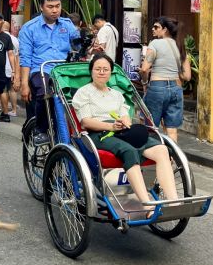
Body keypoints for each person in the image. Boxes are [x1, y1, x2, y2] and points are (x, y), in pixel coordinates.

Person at [72, 54, 178, 216]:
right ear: (91, 71)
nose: (101, 72)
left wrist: (125, 123)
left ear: (110, 72)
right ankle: (147, 206)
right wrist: (111, 126)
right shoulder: (83, 93)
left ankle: (173, 202)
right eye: (97, 69)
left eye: (105, 69)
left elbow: (125, 115)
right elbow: (86, 122)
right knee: (129, 150)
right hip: (98, 134)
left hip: (121, 131)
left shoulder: (116, 94)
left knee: (162, 150)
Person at [18, 0, 80, 146]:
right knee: (45, 93)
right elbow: (25, 58)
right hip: (41, 69)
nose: (55, 10)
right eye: (50, 6)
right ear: (41, 7)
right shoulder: (29, 28)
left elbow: (78, 45)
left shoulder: (67, 25)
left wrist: (89, 46)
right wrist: (24, 84)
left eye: (57, 6)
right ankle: (41, 130)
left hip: (64, 70)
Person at [140, 16, 190, 142]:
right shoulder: (180, 46)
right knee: (172, 129)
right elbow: (187, 76)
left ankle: (154, 156)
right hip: (176, 89)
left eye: (156, 27)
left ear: (165, 30)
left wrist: (145, 82)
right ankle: (172, 158)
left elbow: (145, 69)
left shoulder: (155, 43)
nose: (153, 29)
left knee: (150, 127)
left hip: (157, 88)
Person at [0, 20, 19, 120]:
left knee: (3, 90)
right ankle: (14, 110)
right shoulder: (15, 39)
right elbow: (17, 55)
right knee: (12, 90)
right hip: (13, 68)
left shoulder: (1, 38)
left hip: (3, 67)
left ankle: (5, 110)